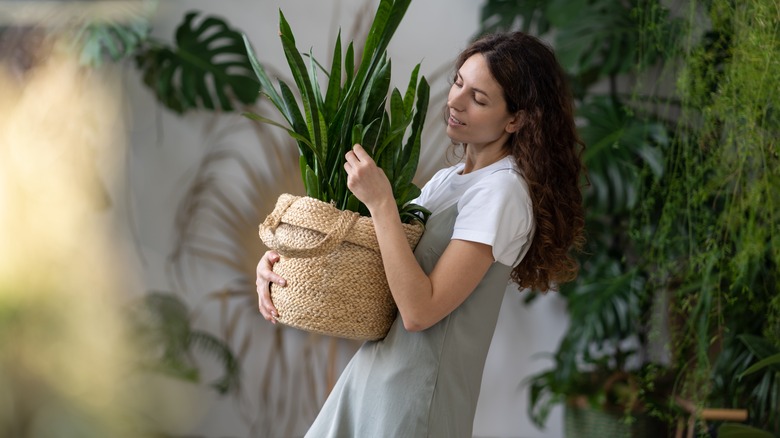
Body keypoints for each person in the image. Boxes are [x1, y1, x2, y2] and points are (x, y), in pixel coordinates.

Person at [256, 31, 585, 438]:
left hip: (414, 400)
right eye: (459, 83)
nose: (455, 102)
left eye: (479, 99)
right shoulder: (449, 181)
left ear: (515, 120)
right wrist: (284, 263)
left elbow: (419, 311)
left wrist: (381, 204)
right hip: (376, 377)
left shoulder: (502, 192)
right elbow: (378, 269)